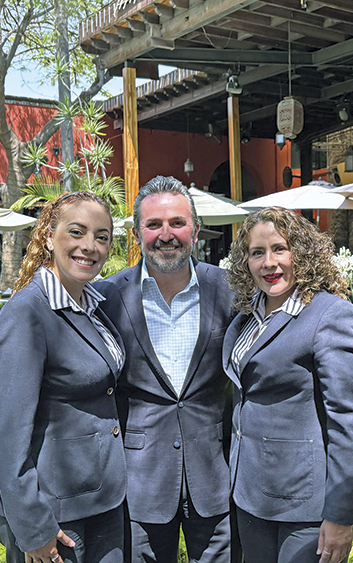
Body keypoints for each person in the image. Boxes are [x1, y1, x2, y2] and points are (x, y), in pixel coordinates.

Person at [96, 176, 236, 563]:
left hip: (215, 476)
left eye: (177, 223)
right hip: (141, 480)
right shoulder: (107, 297)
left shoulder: (230, 290)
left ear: (195, 229)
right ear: (137, 233)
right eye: (153, 224)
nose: (166, 235)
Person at [221, 207, 353, 563]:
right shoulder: (246, 316)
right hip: (251, 495)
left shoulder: (329, 314)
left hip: (305, 505)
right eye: (257, 253)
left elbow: (349, 420)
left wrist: (340, 514)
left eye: (280, 249)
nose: (269, 263)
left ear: (301, 253)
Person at [0, 191, 126, 563]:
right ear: (49, 236)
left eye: (101, 236)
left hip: (100, 500)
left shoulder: (91, 305)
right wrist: (33, 527)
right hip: (55, 512)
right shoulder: (27, 313)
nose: (89, 246)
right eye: (77, 232)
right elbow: (7, 435)